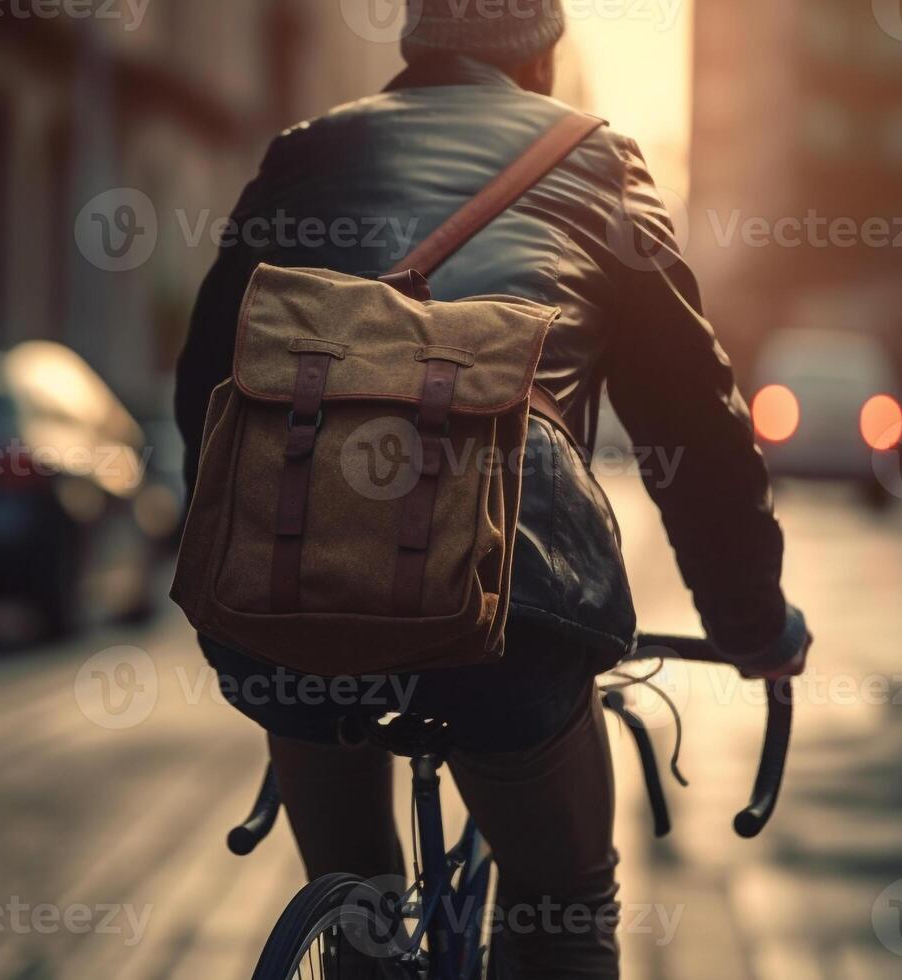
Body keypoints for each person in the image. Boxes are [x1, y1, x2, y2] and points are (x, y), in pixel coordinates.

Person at [172, 2, 809, 975]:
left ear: (412, 46)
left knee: (360, 900)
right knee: (562, 897)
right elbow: (694, 423)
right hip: (512, 596)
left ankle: (360, 931)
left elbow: (206, 385)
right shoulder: (597, 165)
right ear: (544, 57)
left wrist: (250, 569)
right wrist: (747, 620)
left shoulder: (305, 152)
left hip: (291, 589)